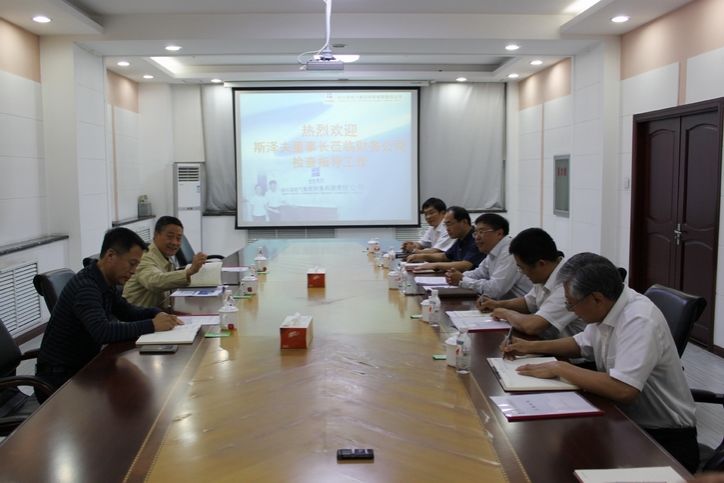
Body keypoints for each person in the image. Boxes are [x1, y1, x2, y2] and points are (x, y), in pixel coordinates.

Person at [502, 253, 699, 473]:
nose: (571, 311)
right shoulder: (609, 306)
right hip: (623, 421)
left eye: (571, 304)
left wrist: (560, 368)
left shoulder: (639, 320)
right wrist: (531, 347)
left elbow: (624, 389)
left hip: (663, 438)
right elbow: (581, 343)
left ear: (596, 298)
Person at [36, 227, 182, 401]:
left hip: (84, 369)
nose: (134, 271)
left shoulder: (105, 281)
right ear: (111, 256)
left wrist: (158, 313)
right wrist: (152, 325)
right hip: (60, 380)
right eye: (132, 263)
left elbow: (127, 312)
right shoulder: (86, 287)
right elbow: (103, 332)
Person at [477, 227, 585, 338]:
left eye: (522, 268)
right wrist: (496, 304)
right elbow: (528, 302)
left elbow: (532, 326)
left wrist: (505, 313)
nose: (522, 273)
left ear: (541, 264)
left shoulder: (568, 284)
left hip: (571, 348)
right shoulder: (546, 274)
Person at [123, 216, 207, 309]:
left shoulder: (165, 255)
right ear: (156, 235)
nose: (174, 242)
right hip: (137, 315)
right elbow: (154, 281)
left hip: (159, 311)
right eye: (170, 236)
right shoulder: (144, 257)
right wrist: (189, 271)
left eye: (178, 238)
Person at [445, 213, 531, 299]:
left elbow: (495, 290)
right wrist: (455, 275)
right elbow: (479, 273)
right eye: (475, 233)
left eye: (481, 232)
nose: (477, 237)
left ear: (499, 233)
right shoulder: (493, 251)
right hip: (504, 303)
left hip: (525, 306)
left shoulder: (510, 252)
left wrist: (462, 279)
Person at [405, 206, 485, 272]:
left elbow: (466, 265)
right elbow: (445, 256)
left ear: (464, 222)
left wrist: (435, 265)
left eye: (449, 224)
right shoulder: (460, 238)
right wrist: (421, 256)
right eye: (445, 225)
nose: (447, 229)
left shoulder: (476, 238)